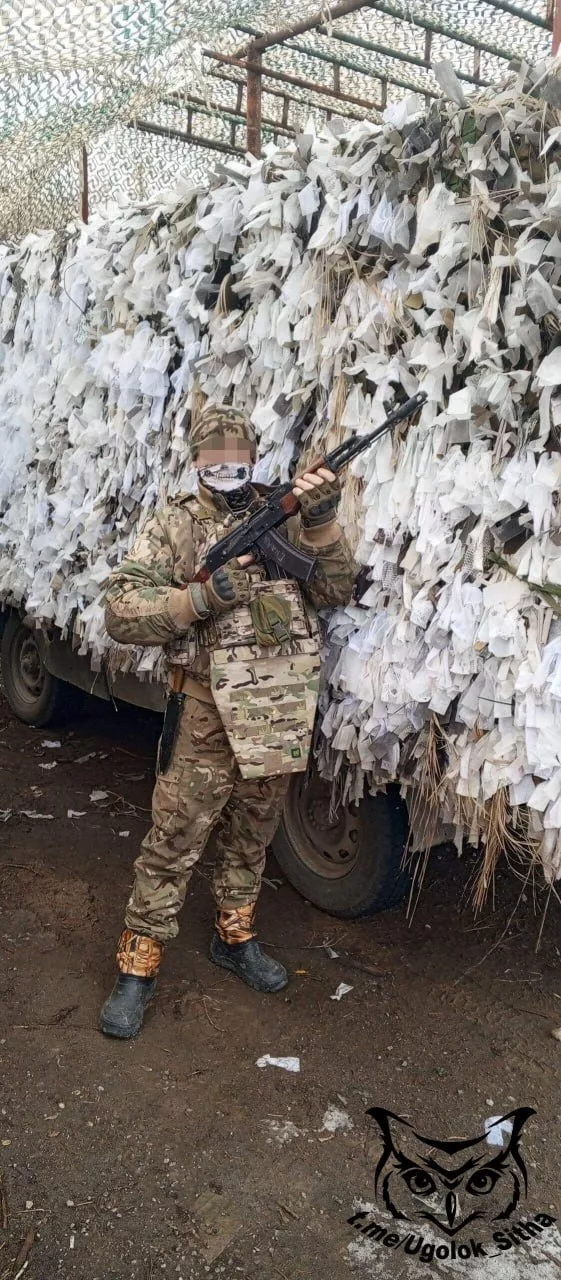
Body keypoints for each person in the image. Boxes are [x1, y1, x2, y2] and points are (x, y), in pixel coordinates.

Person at [99, 403, 354, 1038]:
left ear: (254, 458)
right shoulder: (175, 523)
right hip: (205, 712)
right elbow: (120, 611)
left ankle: (234, 936)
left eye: (237, 460)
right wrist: (198, 599)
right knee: (175, 836)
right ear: (194, 461)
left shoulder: (283, 513)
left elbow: (333, 592)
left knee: (253, 833)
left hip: (275, 709)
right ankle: (138, 963)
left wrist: (321, 523)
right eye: (213, 460)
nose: (226, 469)